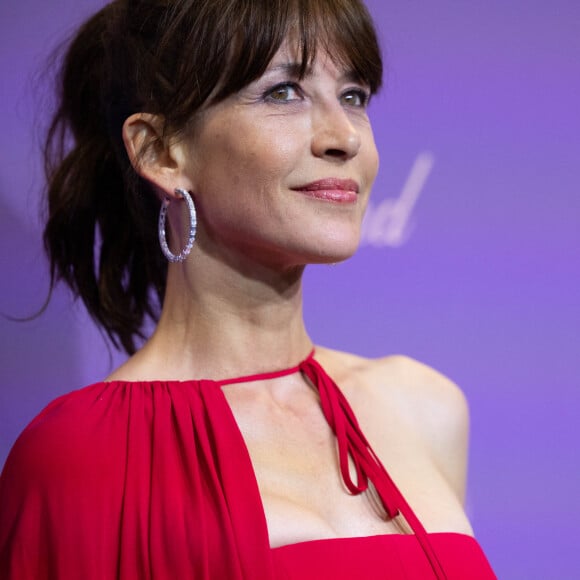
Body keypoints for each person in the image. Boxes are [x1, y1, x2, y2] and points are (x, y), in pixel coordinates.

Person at [0, 0, 496, 578]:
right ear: (161, 151)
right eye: (284, 93)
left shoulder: (426, 408)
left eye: (354, 96)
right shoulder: (79, 457)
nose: (344, 138)